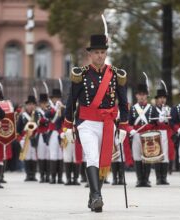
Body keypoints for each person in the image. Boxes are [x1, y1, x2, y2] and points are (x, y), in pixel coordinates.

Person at [63, 33, 129, 212]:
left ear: (106, 54)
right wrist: (67, 126)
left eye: (102, 52)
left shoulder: (115, 74)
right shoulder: (81, 74)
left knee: (103, 161)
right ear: (90, 54)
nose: (100, 55)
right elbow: (71, 102)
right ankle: (98, 196)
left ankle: (93, 196)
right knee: (92, 157)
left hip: (108, 124)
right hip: (87, 123)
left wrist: (123, 126)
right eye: (96, 52)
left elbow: (123, 103)